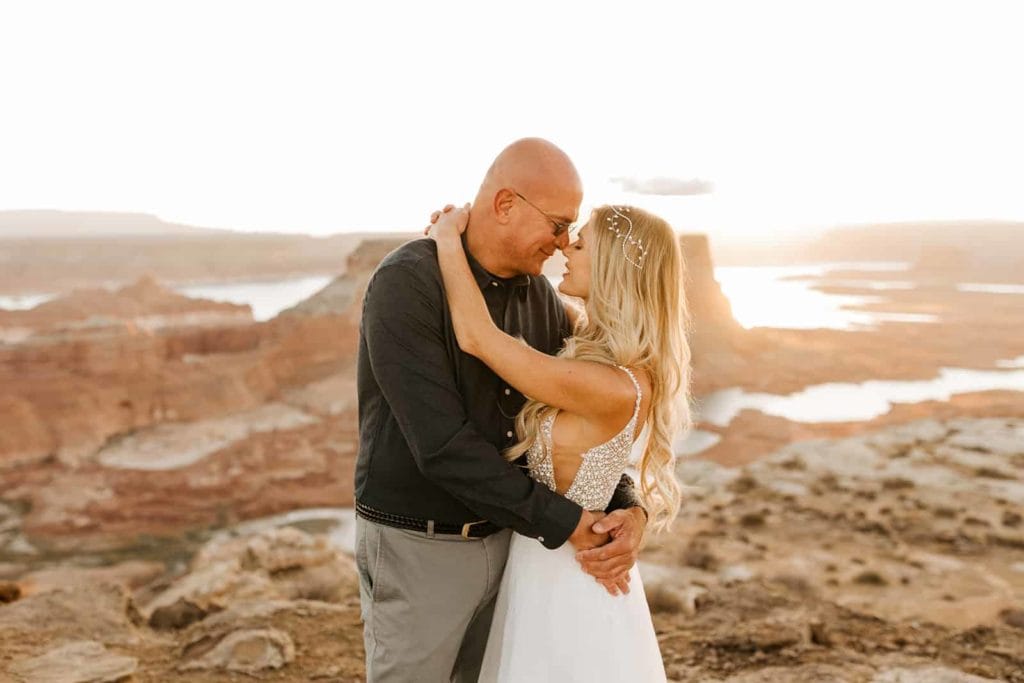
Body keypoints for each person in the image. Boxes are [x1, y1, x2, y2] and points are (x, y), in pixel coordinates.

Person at [354, 138, 651, 682]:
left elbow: (580, 429)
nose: (562, 243)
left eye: (572, 231)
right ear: (506, 204)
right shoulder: (408, 282)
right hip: (423, 547)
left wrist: (628, 507)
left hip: (518, 545)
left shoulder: (542, 299)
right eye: (558, 225)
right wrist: (566, 523)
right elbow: (442, 446)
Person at [426, 195, 691, 681]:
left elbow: (477, 336)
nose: (566, 246)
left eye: (581, 243)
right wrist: (634, 509)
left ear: (612, 269)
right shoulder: (597, 352)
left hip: (568, 574)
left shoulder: (609, 384)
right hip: (544, 557)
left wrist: (446, 239)